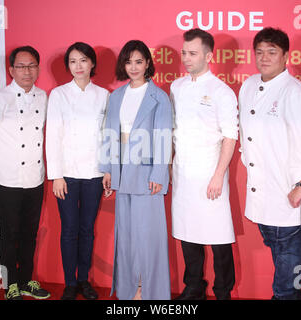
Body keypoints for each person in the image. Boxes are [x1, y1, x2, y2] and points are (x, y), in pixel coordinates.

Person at [238, 27, 301, 300]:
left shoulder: (296, 92)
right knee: (278, 252)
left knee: (289, 259)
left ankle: (287, 297)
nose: (264, 58)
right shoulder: (248, 85)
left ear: (286, 56)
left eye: (272, 52)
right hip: (261, 188)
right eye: (259, 52)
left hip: (288, 190)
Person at [99, 40, 172, 300]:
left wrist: (158, 174)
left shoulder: (159, 97)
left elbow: (163, 138)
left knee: (149, 237)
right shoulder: (117, 95)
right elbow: (109, 133)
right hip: (121, 172)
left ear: (148, 64)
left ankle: (151, 291)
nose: (133, 67)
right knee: (127, 236)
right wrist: (107, 169)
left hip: (147, 174)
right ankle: (131, 289)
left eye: (139, 61)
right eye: (129, 62)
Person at [0, 46, 50, 300]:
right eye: (21, 66)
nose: (27, 71)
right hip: (7, 179)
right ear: (11, 70)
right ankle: (10, 285)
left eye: (31, 66)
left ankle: (28, 281)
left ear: (38, 69)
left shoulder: (43, 96)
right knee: (8, 234)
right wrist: (5, 158)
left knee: (30, 234)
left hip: (35, 177)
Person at [171, 28, 238, 300]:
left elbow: (230, 137)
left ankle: (223, 291)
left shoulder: (222, 91)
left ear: (209, 55)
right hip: (183, 173)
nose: (186, 58)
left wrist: (218, 175)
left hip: (211, 173)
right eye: (184, 53)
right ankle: (194, 285)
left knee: (219, 237)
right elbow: (173, 132)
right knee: (188, 233)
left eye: (193, 53)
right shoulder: (176, 87)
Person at [46, 42, 109, 300]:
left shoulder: (104, 95)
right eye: (73, 61)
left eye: (83, 60)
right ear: (68, 66)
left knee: (87, 229)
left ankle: (84, 280)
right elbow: (53, 136)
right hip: (68, 174)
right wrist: (56, 175)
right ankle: (70, 283)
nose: (78, 66)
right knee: (69, 229)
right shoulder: (59, 95)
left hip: (94, 174)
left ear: (92, 63)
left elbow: (108, 136)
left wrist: (107, 170)